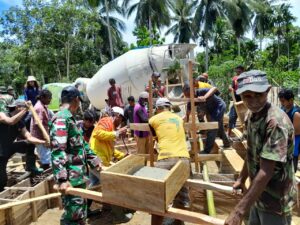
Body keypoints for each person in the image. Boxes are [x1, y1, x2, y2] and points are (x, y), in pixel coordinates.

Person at [225, 70, 296, 225]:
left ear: (268, 91)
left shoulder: (276, 123)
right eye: (247, 96)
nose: (253, 100)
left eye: (258, 94)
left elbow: (267, 170)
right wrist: (241, 178)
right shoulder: (251, 116)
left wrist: (239, 211)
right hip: (257, 196)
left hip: (275, 202)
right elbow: (251, 151)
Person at [49, 86, 101, 225]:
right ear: (76, 100)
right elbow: (58, 150)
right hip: (70, 179)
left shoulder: (71, 119)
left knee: (80, 214)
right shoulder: (61, 119)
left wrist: (95, 160)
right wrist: (62, 179)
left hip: (78, 176)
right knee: (73, 216)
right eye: (79, 101)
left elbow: (82, 145)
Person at [149, 98, 190, 225]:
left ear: (157, 108)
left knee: (158, 200)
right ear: (169, 107)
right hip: (183, 159)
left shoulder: (152, 120)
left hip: (164, 159)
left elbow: (156, 138)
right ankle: (178, 222)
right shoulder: (178, 119)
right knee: (181, 198)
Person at [89, 106, 133, 223]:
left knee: (94, 185)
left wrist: (122, 156)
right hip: (96, 159)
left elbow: (111, 149)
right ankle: (119, 216)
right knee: (113, 185)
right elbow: (98, 133)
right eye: (121, 119)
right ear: (117, 116)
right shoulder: (106, 120)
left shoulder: (112, 127)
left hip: (98, 159)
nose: (121, 122)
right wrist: (116, 133)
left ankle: (85, 209)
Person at [0, 100, 46, 191]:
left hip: (8, 148)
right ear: (17, 107)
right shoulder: (2, 114)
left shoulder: (20, 123)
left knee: (29, 143)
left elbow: (29, 137)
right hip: (0, 152)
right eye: (23, 107)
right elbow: (10, 121)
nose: (27, 111)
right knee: (2, 180)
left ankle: (30, 166)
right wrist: (26, 108)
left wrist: (44, 142)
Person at [183, 84, 230, 153]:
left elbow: (214, 88)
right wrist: (185, 124)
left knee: (212, 128)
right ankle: (227, 143)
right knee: (218, 126)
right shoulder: (191, 101)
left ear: (193, 91)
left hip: (219, 107)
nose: (188, 97)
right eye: (186, 95)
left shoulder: (201, 91)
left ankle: (207, 151)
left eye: (189, 94)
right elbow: (187, 114)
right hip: (211, 111)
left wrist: (205, 97)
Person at [30, 89, 52, 170]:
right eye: (49, 98)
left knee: (46, 156)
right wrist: (46, 138)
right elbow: (39, 124)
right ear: (43, 97)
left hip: (43, 135)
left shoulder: (43, 105)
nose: (50, 100)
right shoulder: (39, 108)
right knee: (46, 159)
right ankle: (44, 174)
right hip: (40, 136)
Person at [278, 89, 300, 172]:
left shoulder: (296, 113)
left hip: (295, 138)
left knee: (293, 154)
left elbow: (296, 131)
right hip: (285, 136)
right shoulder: (283, 109)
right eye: (280, 101)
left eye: (283, 101)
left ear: (291, 100)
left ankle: (292, 172)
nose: (281, 103)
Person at [228, 65, 245, 136]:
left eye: (239, 71)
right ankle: (230, 134)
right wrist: (230, 88)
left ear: (243, 71)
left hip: (245, 101)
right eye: (237, 71)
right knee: (232, 117)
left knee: (244, 119)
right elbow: (231, 88)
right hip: (236, 101)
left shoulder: (246, 78)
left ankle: (246, 134)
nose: (238, 73)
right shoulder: (234, 78)